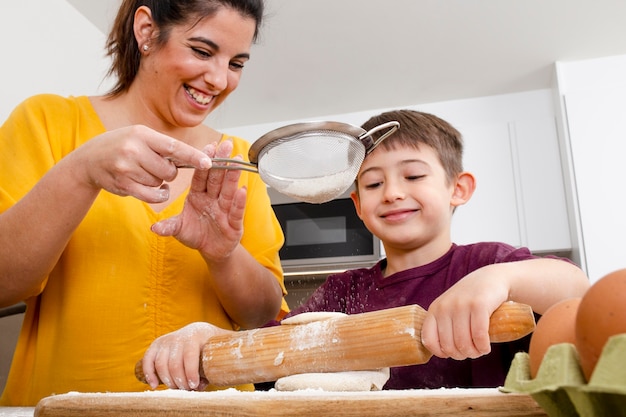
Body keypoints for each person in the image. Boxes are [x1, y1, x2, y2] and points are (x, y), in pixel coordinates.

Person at [138, 109, 590, 391]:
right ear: (356, 203)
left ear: (459, 188)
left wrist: (500, 280)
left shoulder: (485, 264)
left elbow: (575, 290)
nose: (392, 193)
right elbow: (271, 351)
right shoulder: (342, 294)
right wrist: (208, 339)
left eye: (413, 176)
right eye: (373, 183)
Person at [0, 0, 289, 406]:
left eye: (236, 63)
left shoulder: (236, 159)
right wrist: (81, 171)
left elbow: (260, 313)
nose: (219, 79)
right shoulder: (48, 123)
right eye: (202, 52)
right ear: (147, 31)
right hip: (69, 409)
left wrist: (223, 255)